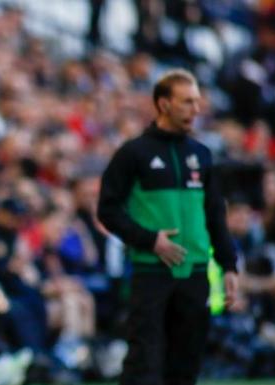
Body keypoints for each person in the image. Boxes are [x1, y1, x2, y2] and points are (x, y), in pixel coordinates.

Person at [97, 69, 239, 385]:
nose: (196, 110)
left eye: (197, 102)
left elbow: (215, 215)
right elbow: (107, 210)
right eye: (187, 102)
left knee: (185, 367)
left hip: (196, 274)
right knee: (143, 365)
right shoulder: (133, 153)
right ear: (163, 104)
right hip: (151, 272)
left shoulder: (201, 155)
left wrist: (229, 265)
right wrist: (150, 240)